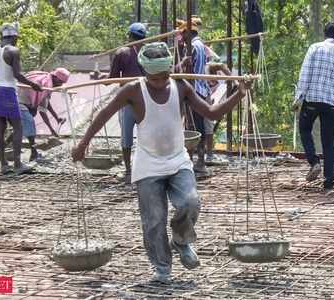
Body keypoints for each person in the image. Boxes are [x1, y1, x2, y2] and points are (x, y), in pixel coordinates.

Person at [72, 42, 250, 284]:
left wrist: (239, 93)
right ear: (146, 73)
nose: (160, 82)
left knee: (190, 202)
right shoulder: (133, 90)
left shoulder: (180, 86)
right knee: (154, 220)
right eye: (155, 78)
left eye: (164, 76)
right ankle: (162, 267)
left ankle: (181, 240)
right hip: (148, 164)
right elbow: (105, 112)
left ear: (169, 71)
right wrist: (83, 144)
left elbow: (212, 112)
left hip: (178, 160)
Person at [293, 22, 334, 192]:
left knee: (305, 129)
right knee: (328, 141)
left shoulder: (315, 48)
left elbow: (305, 73)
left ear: (325, 34)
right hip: (331, 104)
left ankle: (314, 162)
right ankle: (329, 181)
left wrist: (298, 97)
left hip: (312, 100)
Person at [95, 22, 147, 185]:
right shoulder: (147, 53)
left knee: (126, 136)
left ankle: (129, 170)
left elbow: (112, 78)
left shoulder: (122, 52)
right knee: (146, 134)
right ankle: (145, 167)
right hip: (146, 100)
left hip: (127, 100)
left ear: (129, 36)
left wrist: (100, 77)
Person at [0, 23, 42, 175]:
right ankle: (18, 164)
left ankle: (4, 164)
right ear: (13, 37)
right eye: (16, 38)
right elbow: (17, 75)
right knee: (18, 127)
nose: (17, 41)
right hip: (8, 91)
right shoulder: (13, 50)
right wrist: (33, 85)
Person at [9, 68, 70, 161]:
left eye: (62, 83)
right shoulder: (46, 84)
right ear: (55, 77)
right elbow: (42, 111)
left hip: (24, 102)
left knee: (20, 128)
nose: (61, 84)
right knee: (30, 125)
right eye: (60, 81)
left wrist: (57, 118)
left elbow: (46, 103)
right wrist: (51, 129)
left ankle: (4, 145)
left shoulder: (46, 80)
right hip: (19, 102)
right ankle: (33, 153)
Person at [177, 17, 212, 177]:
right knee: (198, 127)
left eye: (183, 34)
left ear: (188, 33)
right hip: (201, 90)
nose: (182, 38)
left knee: (194, 128)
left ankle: (198, 162)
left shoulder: (192, 46)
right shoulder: (200, 45)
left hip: (194, 90)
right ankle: (198, 161)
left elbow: (183, 69)